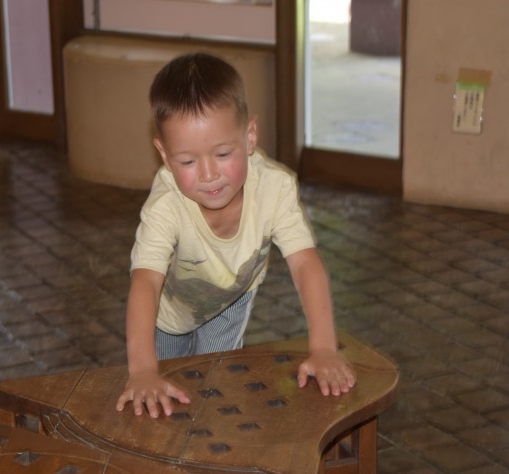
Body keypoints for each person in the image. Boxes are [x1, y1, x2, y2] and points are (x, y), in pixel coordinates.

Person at [116, 52, 356, 418]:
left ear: (249, 136)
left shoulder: (275, 188)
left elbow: (305, 262)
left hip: (228, 304)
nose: (209, 174)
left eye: (223, 153)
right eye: (188, 162)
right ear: (164, 156)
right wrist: (143, 371)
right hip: (167, 315)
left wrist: (324, 347)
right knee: (163, 399)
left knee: (217, 390)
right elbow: (145, 282)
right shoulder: (165, 206)